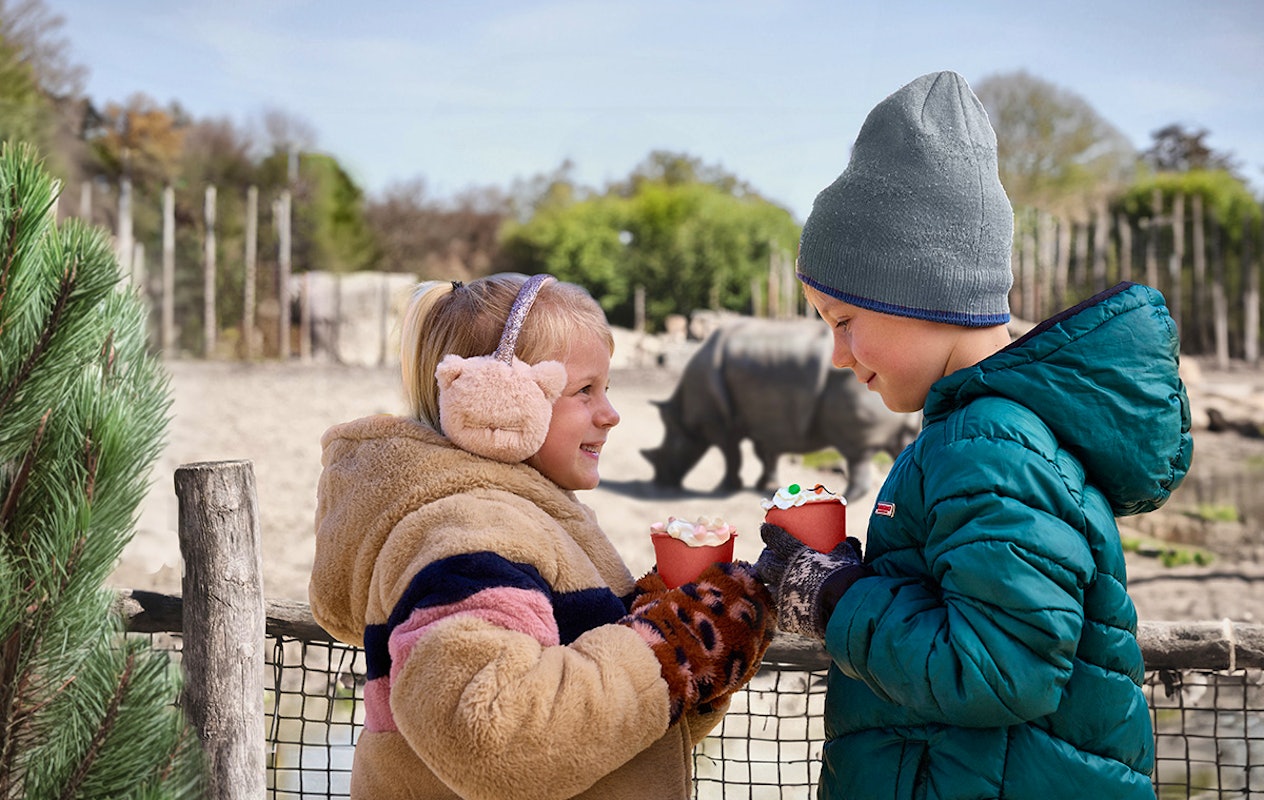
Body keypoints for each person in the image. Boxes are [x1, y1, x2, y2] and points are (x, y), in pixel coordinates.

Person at [754, 71, 1192, 799]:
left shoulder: (985, 446)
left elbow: (1001, 669)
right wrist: (853, 578)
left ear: (918, 293)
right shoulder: (983, 435)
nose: (836, 355)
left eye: (842, 321)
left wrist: (834, 599)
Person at [309, 272, 775, 800]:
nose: (610, 413)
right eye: (584, 391)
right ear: (496, 398)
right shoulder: (471, 537)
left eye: (607, 388)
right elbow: (493, 735)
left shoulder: (525, 520)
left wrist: (688, 658)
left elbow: (604, 743)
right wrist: (674, 647)